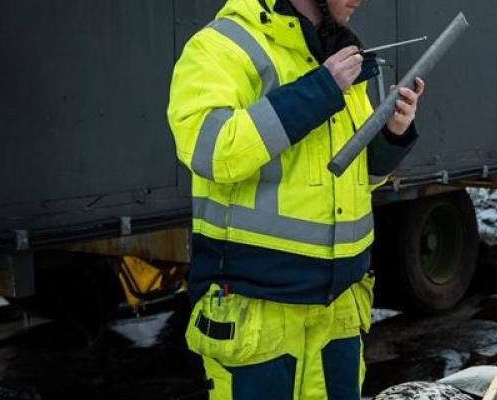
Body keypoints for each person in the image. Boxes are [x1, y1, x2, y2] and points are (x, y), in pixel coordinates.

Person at [167, 0, 425, 398]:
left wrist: (392, 133)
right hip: (258, 310)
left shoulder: (339, 54)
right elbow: (212, 151)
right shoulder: (221, 47)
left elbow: (355, 179)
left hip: (337, 311)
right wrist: (318, 91)